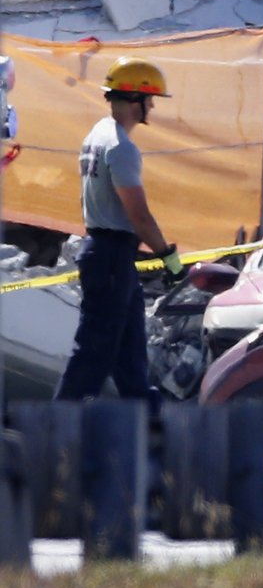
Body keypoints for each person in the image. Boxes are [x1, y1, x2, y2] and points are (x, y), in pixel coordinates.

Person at [53, 56, 186, 413]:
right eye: (150, 99)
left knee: (129, 351)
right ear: (135, 100)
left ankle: (145, 416)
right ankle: (60, 423)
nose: (153, 106)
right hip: (111, 256)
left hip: (110, 254)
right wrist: (168, 257)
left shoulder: (98, 132)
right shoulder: (122, 149)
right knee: (95, 351)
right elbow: (139, 215)